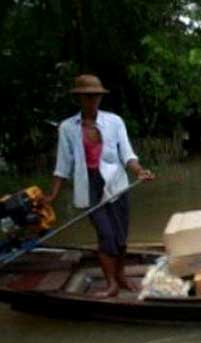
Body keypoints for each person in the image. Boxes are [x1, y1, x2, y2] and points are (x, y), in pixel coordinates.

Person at [45, 74, 154, 299]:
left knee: (121, 236)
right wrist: (52, 195)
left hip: (116, 183)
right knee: (106, 235)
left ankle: (122, 275)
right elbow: (63, 165)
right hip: (90, 186)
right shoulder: (68, 128)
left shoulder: (114, 121)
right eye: (87, 96)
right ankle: (111, 283)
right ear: (79, 99)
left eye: (95, 96)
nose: (92, 100)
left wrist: (139, 171)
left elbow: (127, 155)